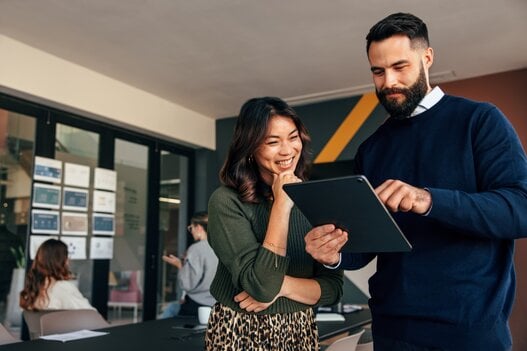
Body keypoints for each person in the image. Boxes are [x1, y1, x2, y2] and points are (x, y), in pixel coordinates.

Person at [305, 12, 527, 351]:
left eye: (399, 67)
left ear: (427, 58)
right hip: (392, 331)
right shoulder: (372, 148)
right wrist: (332, 252)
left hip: (469, 333)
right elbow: (367, 245)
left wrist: (428, 200)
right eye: (378, 72)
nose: (388, 81)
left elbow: (520, 209)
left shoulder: (479, 120)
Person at [205, 97, 343, 350]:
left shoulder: (316, 200)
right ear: (250, 148)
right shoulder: (226, 202)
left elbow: (333, 288)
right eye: (272, 142)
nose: (287, 150)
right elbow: (262, 288)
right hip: (239, 332)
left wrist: (286, 286)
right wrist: (282, 204)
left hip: (300, 331)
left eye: (293, 137)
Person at [161, 211, 218, 317]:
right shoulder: (223, 247)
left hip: (197, 306)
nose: (191, 231)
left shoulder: (196, 249)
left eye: (191, 228)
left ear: (199, 228)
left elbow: (188, 284)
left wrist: (179, 265)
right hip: (218, 305)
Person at [20, 238, 94, 310]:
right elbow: (90, 315)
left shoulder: (34, 289)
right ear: (61, 261)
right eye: (66, 256)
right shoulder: (62, 287)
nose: (69, 261)